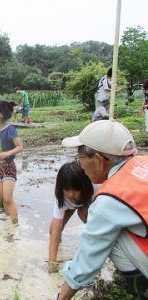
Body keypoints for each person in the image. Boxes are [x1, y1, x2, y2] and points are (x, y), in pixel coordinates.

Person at [56, 120, 148, 300]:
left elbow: (85, 264)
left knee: (111, 235)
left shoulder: (110, 199)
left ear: (98, 160)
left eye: (80, 158)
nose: (80, 165)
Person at [47, 162, 97, 273]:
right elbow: (55, 230)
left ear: (84, 186)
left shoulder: (95, 189)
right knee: (53, 230)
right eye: (67, 189)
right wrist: (52, 261)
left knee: (83, 214)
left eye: (75, 189)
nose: (71, 194)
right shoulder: (62, 199)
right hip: (69, 206)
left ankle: (96, 242)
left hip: (86, 202)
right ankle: (58, 246)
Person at [0, 100, 23, 224]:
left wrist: (8, 153)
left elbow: (19, 147)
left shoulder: (10, 130)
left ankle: (15, 225)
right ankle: (8, 222)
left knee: (7, 199)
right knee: (2, 198)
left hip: (8, 167)